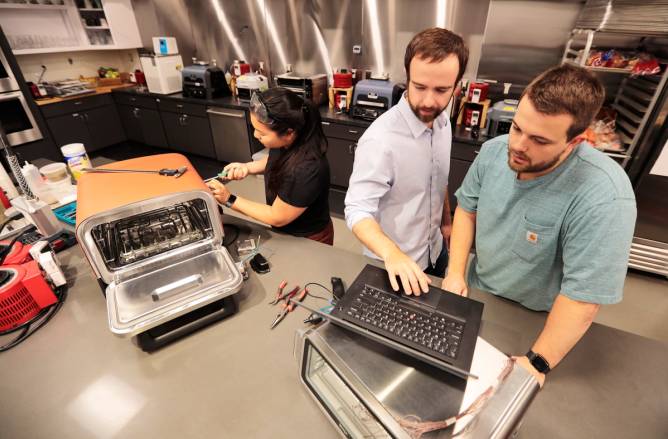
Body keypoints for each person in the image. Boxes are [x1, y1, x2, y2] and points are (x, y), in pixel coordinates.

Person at [442, 64, 637, 386]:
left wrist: (537, 362)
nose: (518, 145)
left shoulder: (604, 196)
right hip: (478, 295)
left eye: (539, 140)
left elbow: (582, 298)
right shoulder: (493, 152)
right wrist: (455, 273)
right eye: (517, 128)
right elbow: (467, 209)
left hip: (540, 320)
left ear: (576, 142)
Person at [344, 28, 468, 295]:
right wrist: (393, 254)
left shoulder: (443, 123)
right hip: (396, 264)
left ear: (457, 85)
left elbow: (437, 178)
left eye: (441, 90)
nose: (428, 101)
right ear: (408, 77)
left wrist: (446, 222)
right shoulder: (380, 140)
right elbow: (357, 210)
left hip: (435, 249)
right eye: (419, 86)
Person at [208, 87, 334, 245]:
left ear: (289, 133)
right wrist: (247, 167)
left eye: (262, 133)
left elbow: (277, 217)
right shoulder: (288, 142)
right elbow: (274, 160)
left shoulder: (307, 168)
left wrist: (229, 199)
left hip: (307, 238)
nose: (255, 135)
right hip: (286, 228)